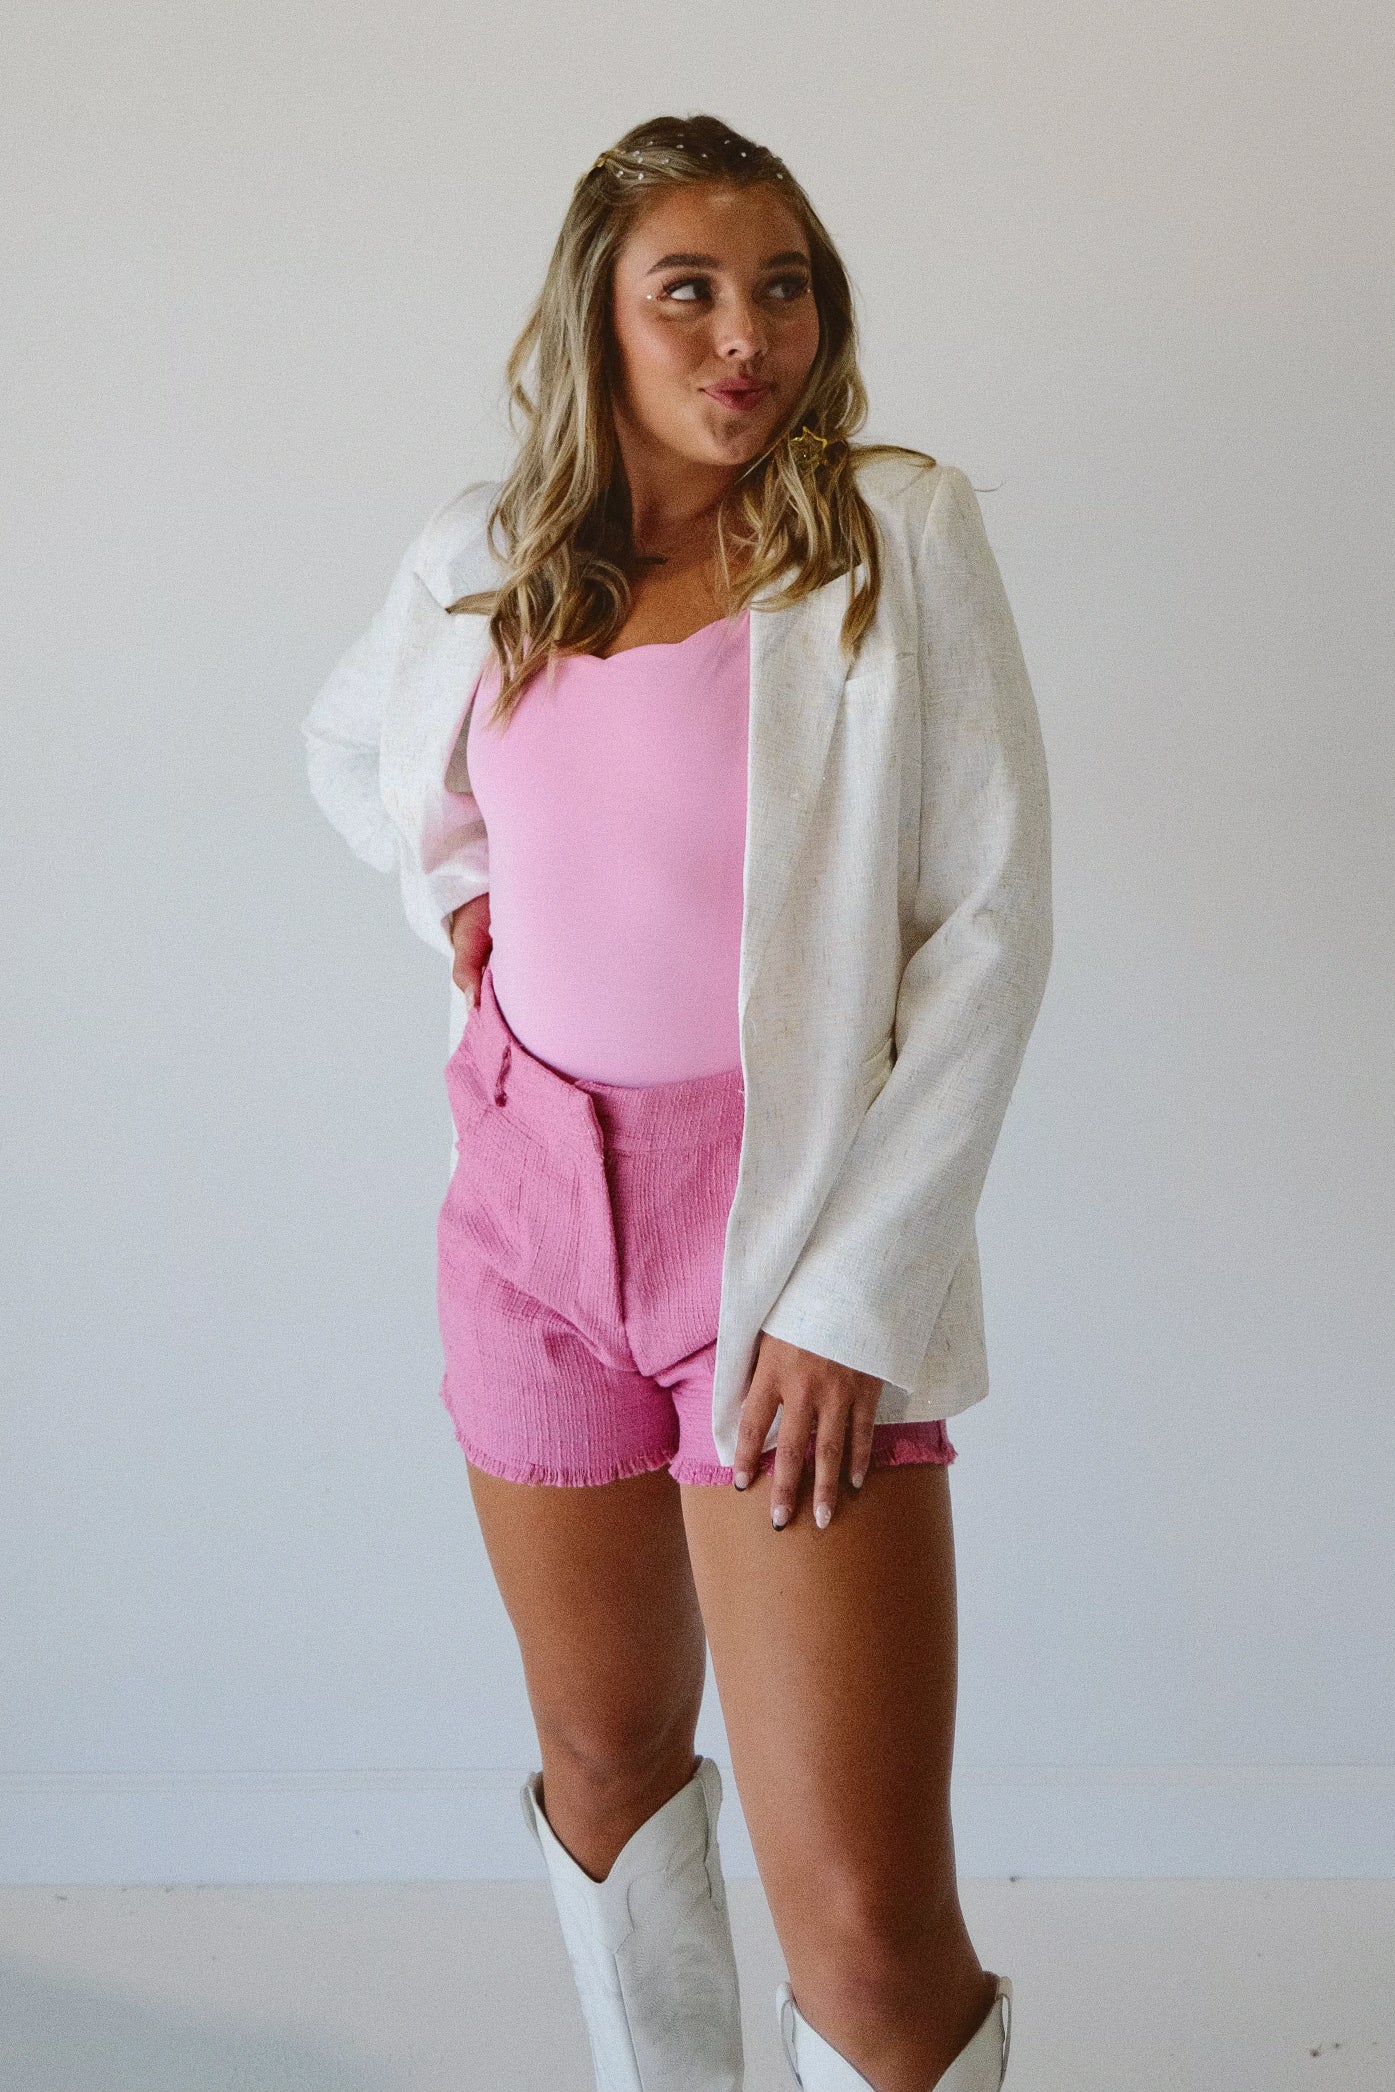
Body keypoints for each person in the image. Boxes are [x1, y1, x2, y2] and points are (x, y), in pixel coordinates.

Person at [302, 112, 1051, 2092]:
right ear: (599, 317)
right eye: (690, 291)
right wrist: (457, 895)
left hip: (787, 1227)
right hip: (527, 1210)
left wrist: (854, 1300)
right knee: (606, 1755)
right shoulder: (486, 557)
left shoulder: (886, 532)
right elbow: (353, 747)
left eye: (781, 288)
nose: (746, 337)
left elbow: (985, 929)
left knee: (870, 1935)